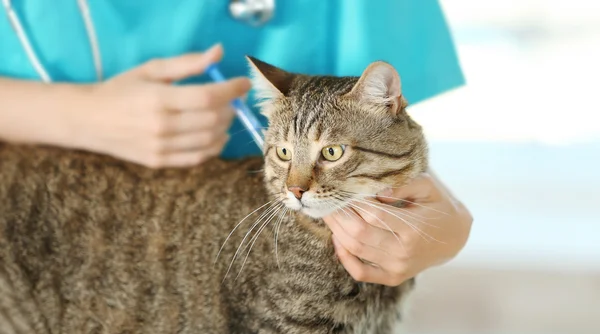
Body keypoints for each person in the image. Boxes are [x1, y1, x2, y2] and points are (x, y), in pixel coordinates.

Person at [0, 0, 472, 286]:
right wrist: (75, 114)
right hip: (31, 236)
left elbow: (379, 128)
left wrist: (441, 221)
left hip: (284, 238)